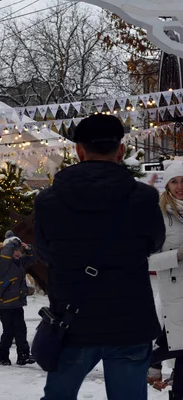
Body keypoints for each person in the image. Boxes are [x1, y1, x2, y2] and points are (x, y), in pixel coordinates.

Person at [34, 114, 165, 400]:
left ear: (79, 151)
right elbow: (154, 244)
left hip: (72, 323)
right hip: (130, 323)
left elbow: (44, 254)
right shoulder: (143, 198)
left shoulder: (48, 201)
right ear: (120, 150)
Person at [148, 162, 183, 400]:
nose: (180, 187)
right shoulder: (159, 215)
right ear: (168, 184)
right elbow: (147, 260)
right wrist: (178, 255)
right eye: (174, 181)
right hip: (175, 295)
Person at [0, 231, 36, 366]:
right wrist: (12, 243)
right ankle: (2, 355)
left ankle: (23, 354)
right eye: (14, 250)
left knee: (20, 329)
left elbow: (32, 258)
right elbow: (5, 256)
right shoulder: (1, 262)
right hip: (4, 303)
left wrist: (28, 248)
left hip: (17, 303)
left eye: (19, 250)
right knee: (9, 331)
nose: (17, 253)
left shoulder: (19, 263)